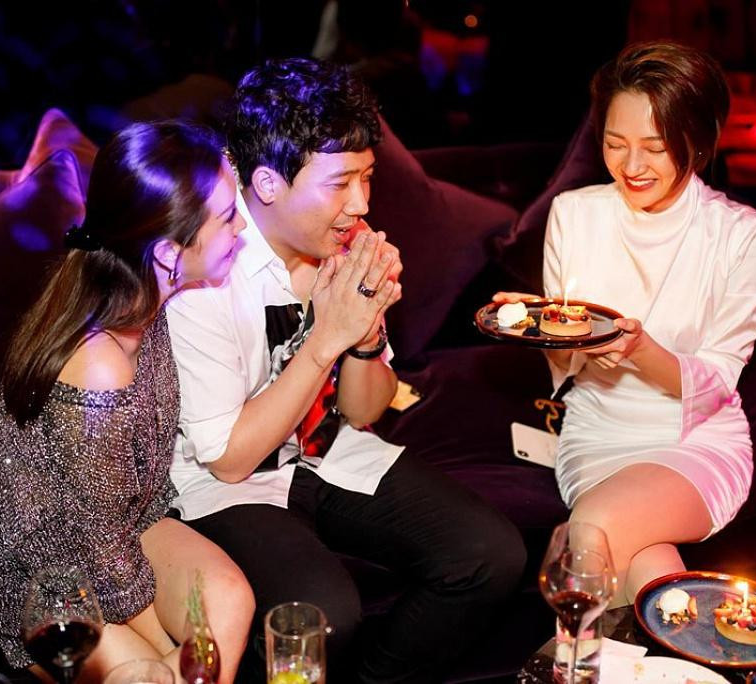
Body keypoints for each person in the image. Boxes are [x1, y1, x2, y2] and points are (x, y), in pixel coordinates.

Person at [166, 57, 526, 683]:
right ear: (268, 183)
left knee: (489, 555)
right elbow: (228, 460)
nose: (360, 204)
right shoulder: (206, 266)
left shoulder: (344, 245)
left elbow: (363, 410)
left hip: (322, 452)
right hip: (224, 483)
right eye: (340, 183)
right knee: (321, 617)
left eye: (367, 178)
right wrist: (325, 338)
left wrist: (364, 333)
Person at [0, 121, 255, 683]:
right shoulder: (100, 364)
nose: (242, 225)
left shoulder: (140, 292)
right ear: (168, 251)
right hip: (35, 572)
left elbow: (111, 519)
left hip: (122, 526)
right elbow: (95, 548)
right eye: (226, 217)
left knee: (230, 603)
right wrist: (165, 652)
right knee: (155, 674)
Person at [497, 41, 756, 604]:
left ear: (697, 142)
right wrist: (541, 327)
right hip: (594, 434)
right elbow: (564, 364)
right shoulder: (574, 214)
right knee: (650, 570)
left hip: (694, 441)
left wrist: (638, 350)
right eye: (614, 143)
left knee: (594, 525)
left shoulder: (743, 235)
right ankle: (686, 650)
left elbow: (716, 382)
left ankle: (572, 650)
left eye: (654, 148)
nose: (630, 167)